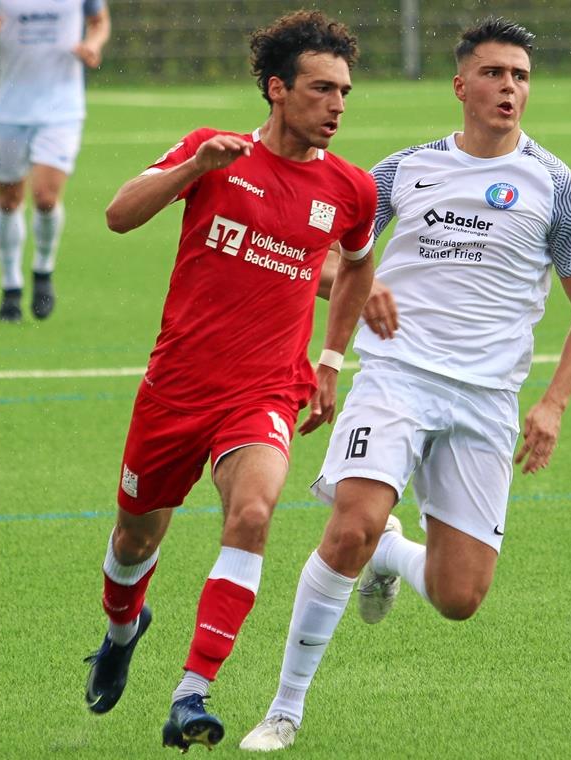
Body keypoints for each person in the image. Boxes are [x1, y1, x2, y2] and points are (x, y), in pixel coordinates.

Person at [240, 16, 571, 752]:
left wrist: (554, 403)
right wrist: (353, 295)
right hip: (397, 377)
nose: (510, 88)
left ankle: (391, 553)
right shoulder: (401, 171)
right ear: (461, 85)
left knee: (458, 597)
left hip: (486, 399)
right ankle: (285, 709)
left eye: (522, 76)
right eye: (496, 73)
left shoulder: (557, 188)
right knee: (348, 526)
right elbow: (318, 261)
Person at [81, 11, 378, 753]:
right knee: (133, 538)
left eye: (344, 90)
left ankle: (192, 693)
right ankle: (123, 629)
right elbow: (119, 216)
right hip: (175, 390)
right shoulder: (216, 152)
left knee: (251, 515)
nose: (337, 105)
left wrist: (332, 360)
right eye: (320, 88)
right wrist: (191, 170)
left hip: (264, 393)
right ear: (278, 90)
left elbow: (352, 264)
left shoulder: (350, 189)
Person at [0, 0, 111, 322]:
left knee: (45, 197)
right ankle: (10, 287)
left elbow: (99, 21)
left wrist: (92, 44)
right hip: (10, 108)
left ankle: (43, 270)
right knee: (7, 200)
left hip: (62, 108)